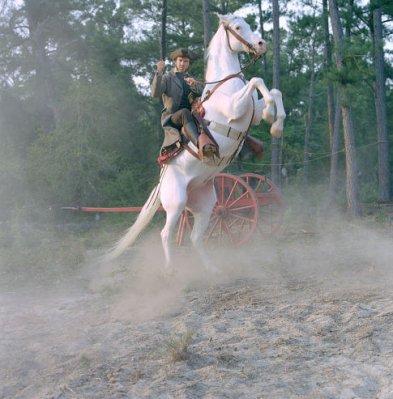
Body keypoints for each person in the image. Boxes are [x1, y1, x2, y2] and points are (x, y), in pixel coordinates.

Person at [151, 47, 215, 159]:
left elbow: (205, 93)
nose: (182, 64)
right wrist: (159, 72)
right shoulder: (167, 77)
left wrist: (195, 84)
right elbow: (155, 93)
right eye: (180, 60)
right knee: (185, 112)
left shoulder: (190, 78)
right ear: (175, 62)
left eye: (185, 61)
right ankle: (201, 146)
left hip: (190, 116)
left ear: (188, 63)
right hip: (172, 118)